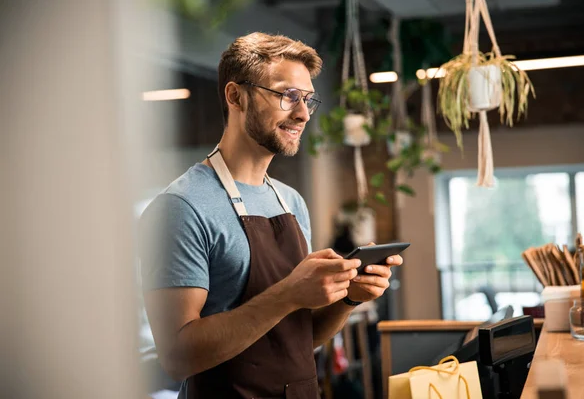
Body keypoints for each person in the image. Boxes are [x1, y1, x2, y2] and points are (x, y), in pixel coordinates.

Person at [139, 32, 404, 399]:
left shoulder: (290, 202)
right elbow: (177, 357)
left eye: (308, 99)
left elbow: (297, 336)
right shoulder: (182, 207)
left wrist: (348, 298)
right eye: (287, 96)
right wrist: (287, 294)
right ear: (236, 96)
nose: (303, 113)